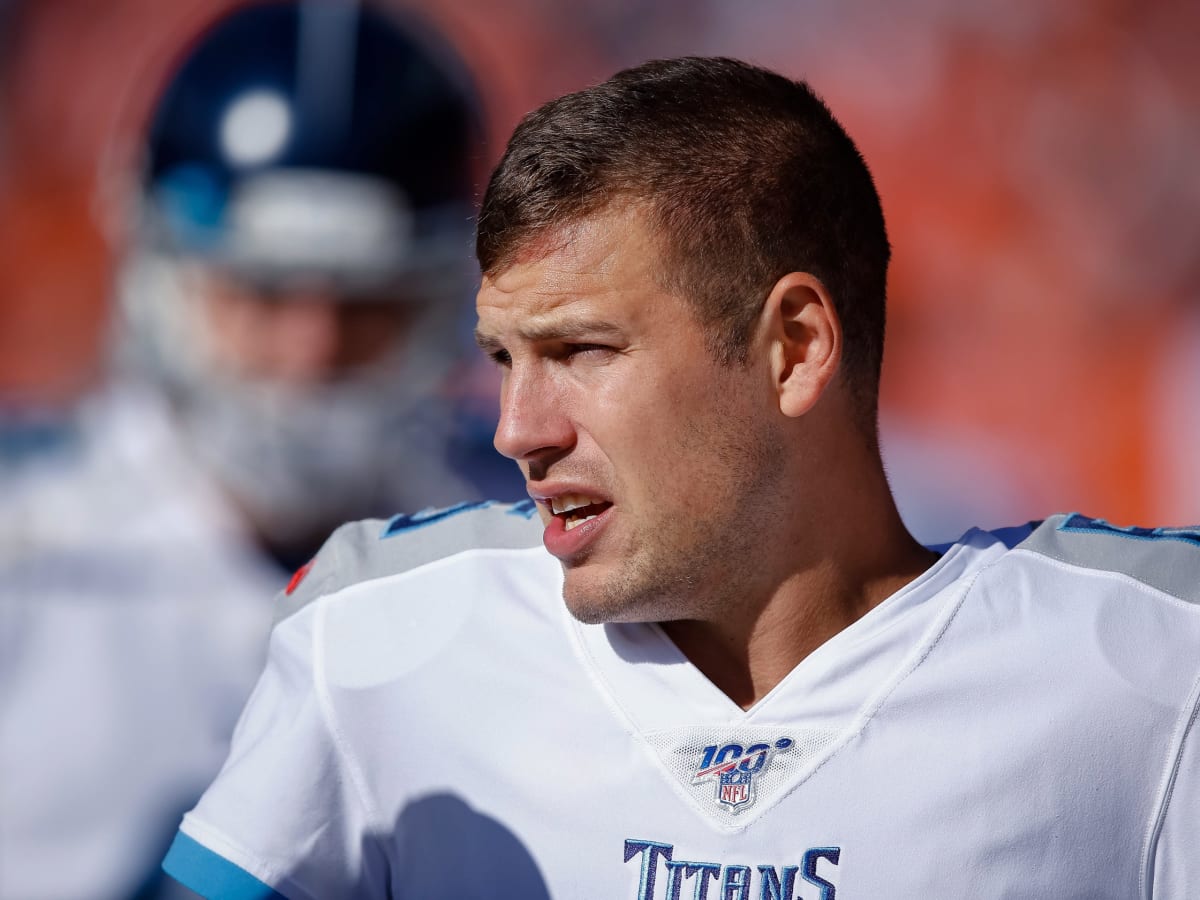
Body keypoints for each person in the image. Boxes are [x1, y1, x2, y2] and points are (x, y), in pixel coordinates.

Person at [161, 57, 1199, 899]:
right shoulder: (377, 636)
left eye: (582, 351)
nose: (517, 431)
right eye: (503, 359)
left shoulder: (1151, 663)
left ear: (794, 349)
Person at [0, 4, 518, 899]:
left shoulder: (534, 551)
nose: (308, 352)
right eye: (261, 295)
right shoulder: (28, 548)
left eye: (368, 305)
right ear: (164, 277)